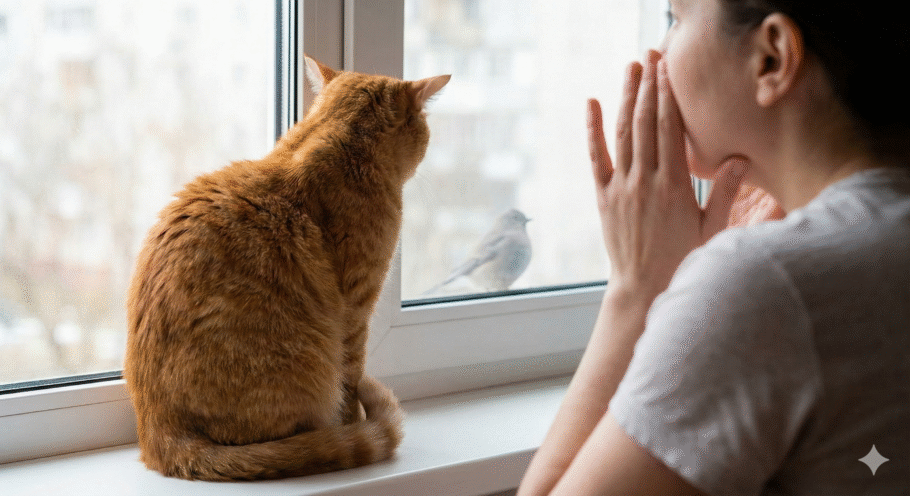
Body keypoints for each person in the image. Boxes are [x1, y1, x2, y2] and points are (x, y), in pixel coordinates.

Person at [518, 0, 909, 494]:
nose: (657, 53)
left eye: (674, 20)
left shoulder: (767, 285)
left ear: (771, 57)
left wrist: (638, 288)